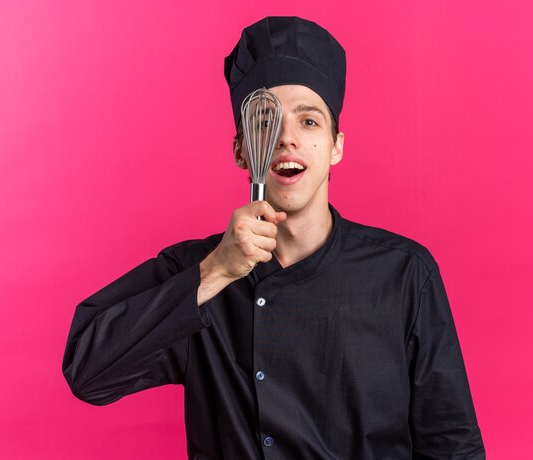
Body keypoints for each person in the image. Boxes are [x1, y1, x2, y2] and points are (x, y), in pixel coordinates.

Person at [63, 16, 485, 459]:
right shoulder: (197, 272)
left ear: (336, 145)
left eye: (309, 122)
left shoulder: (403, 273)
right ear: (242, 150)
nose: (286, 139)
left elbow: (451, 443)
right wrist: (214, 272)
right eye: (266, 122)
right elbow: (88, 374)